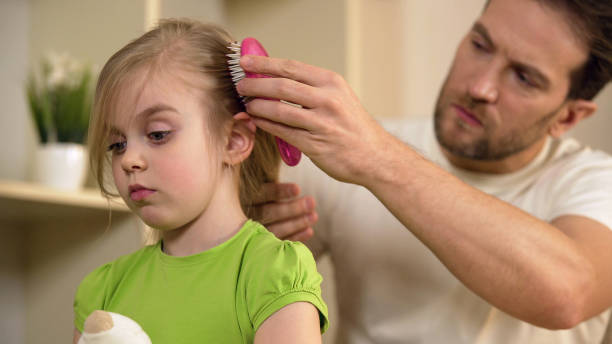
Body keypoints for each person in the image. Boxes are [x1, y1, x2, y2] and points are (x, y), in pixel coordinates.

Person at [235, 0, 612, 342]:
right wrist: (242, 252)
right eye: (480, 46)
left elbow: (569, 293)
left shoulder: (595, 184)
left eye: (524, 77)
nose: (481, 87)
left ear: (568, 116)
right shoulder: (350, 152)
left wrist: (378, 158)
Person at [72, 19, 328, 343]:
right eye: (117, 144)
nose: (128, 160)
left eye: (157, 134)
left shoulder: (273, 274)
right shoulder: (103, 289)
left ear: (233, 141)